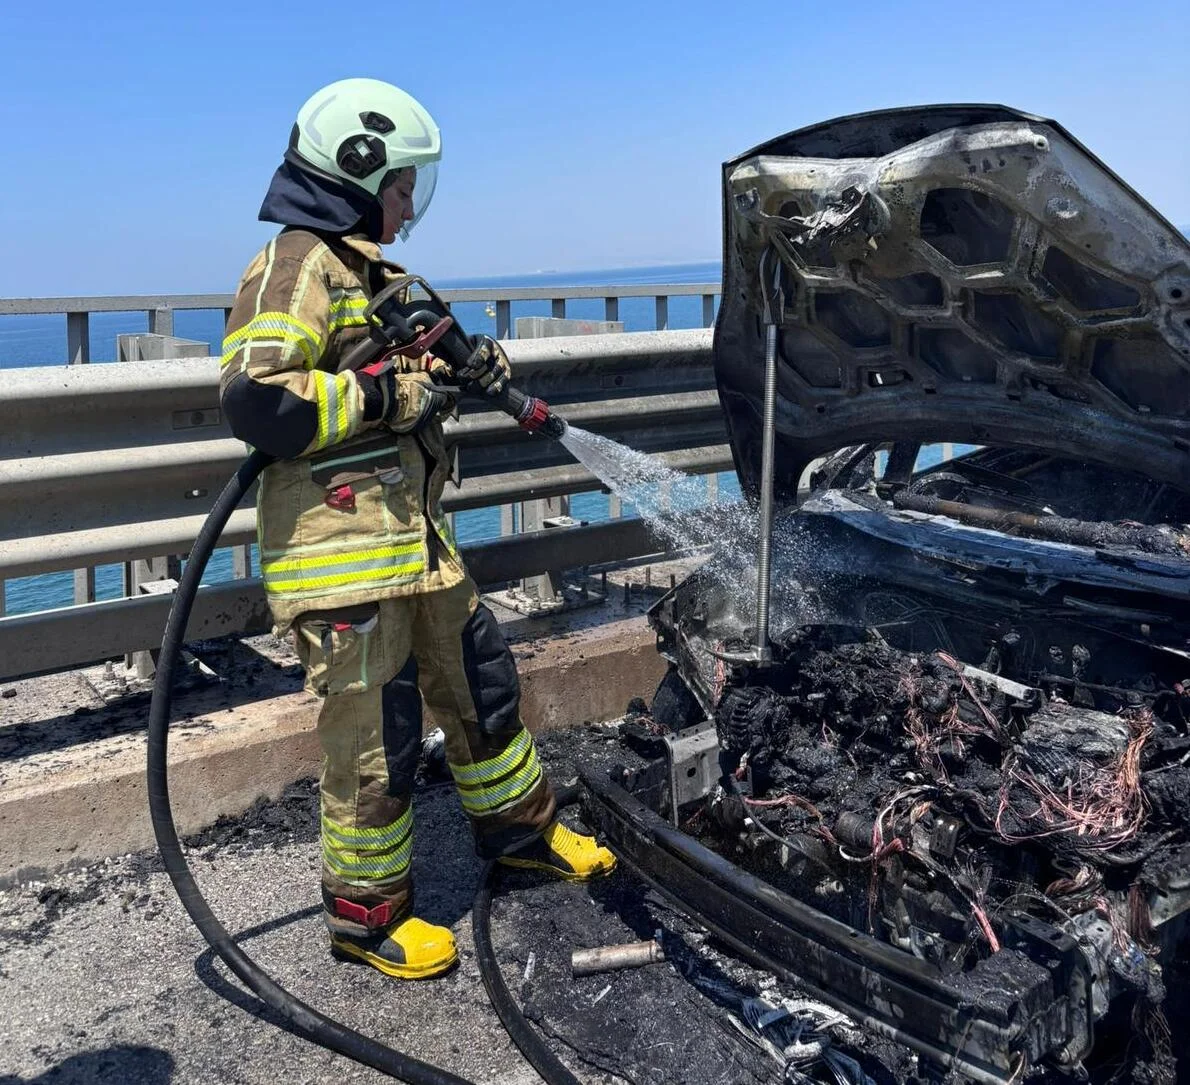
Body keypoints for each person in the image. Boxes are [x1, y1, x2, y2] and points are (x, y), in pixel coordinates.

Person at [219, 78, 615, 981]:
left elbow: (429, 343)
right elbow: (257, 397)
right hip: (343, 560)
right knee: (376, 740)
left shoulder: (375, 272)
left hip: (417, 544)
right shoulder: (296, 265)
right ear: (354, 169)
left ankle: (522, 835)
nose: (407, 206)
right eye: (401, 187)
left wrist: (474, 364)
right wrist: (383, 394)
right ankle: (367, 917)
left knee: (480, 683)